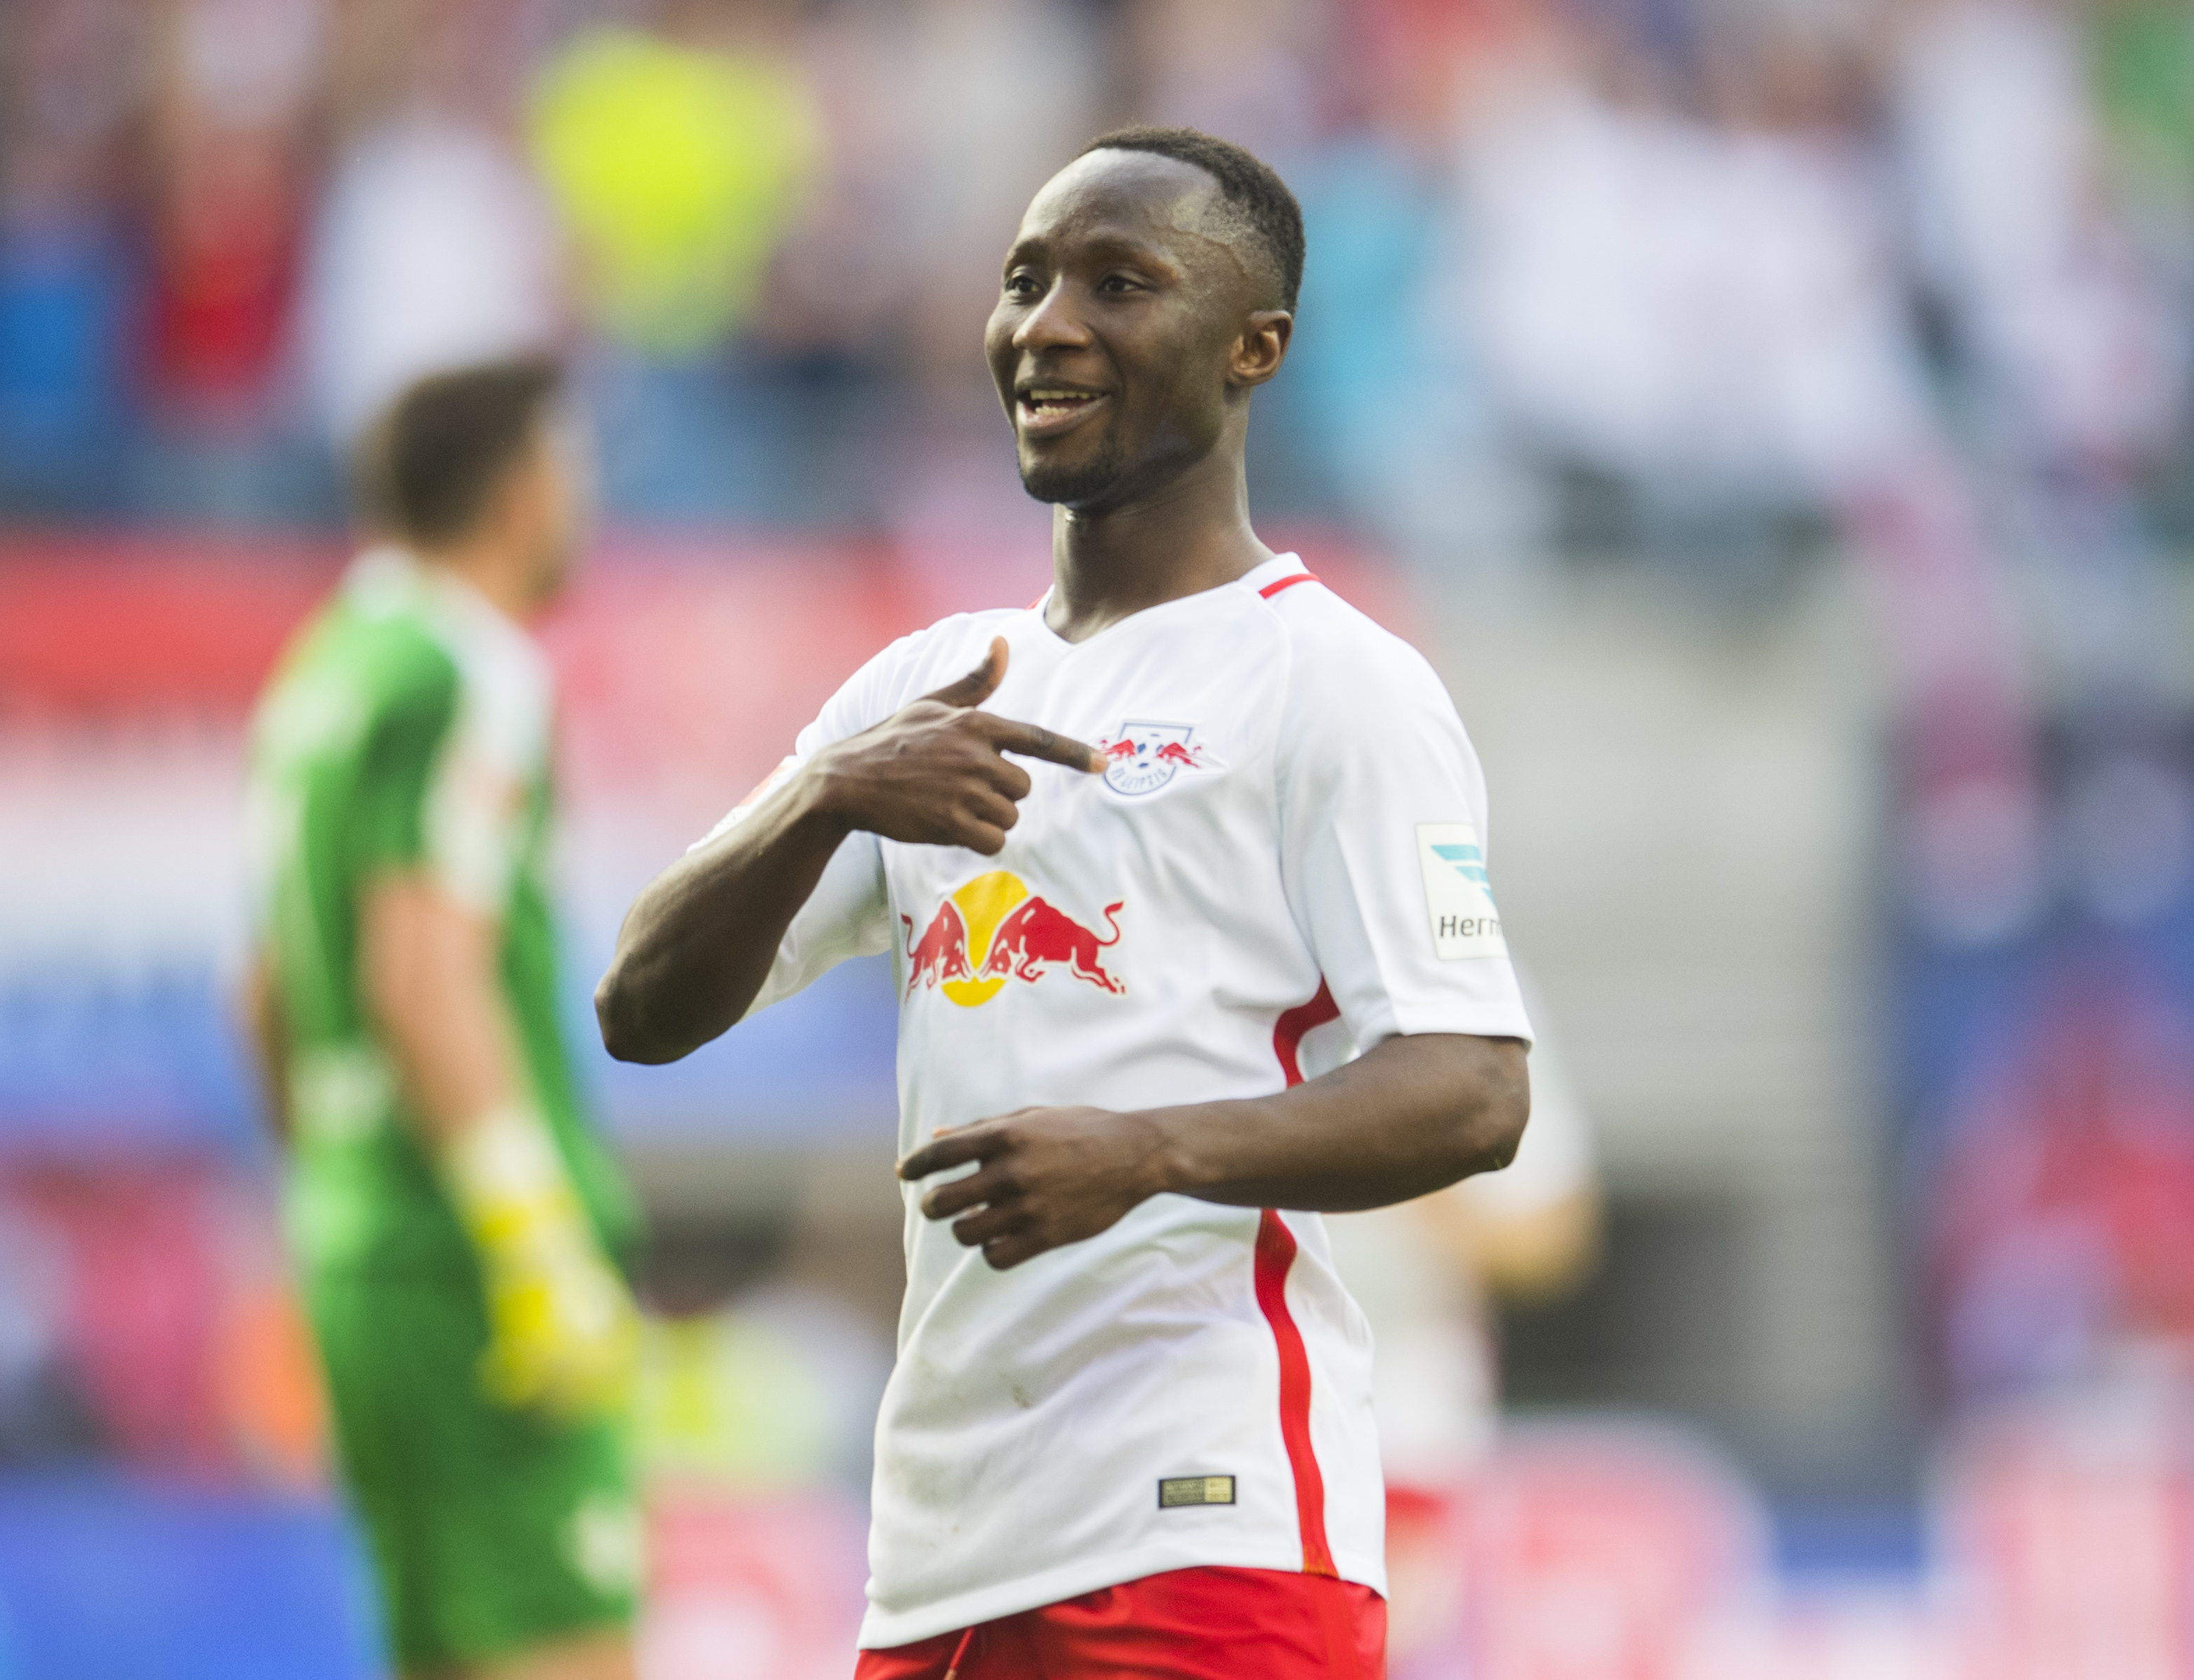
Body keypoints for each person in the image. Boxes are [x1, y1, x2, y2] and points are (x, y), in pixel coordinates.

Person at [597, 126, 1535, 1679]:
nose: (1048, 326)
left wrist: (1151, 1151)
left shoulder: (1336, 682)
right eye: (1026, 280)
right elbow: (640, 1009)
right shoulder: (925, 685)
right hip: (943, 1553)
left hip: (1209, 1532)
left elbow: (1474, 1091)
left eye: (1120, 282)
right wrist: (819, 792)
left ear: (1256, 349)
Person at [242, 358, 644, 1680]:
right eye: (571, 469)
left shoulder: (326, 664)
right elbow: (424, 971)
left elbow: (262, 988)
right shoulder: (473, 666)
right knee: (566, 1651)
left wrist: (330, 1198)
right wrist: (528, 1231)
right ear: (520, 490)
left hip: (359, 1240)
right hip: (468, 1259)